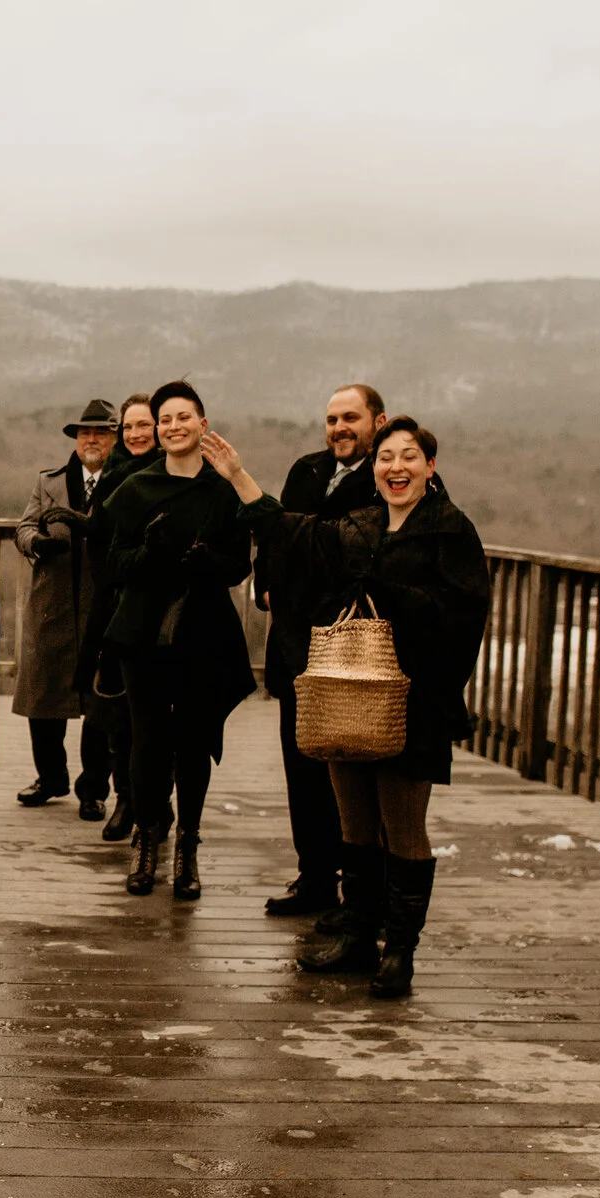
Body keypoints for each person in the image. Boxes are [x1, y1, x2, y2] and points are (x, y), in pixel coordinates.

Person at [216, 418, 491, 998]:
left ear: (430, 467)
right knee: (355, 823)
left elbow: (461, 618)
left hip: (413, 701)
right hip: (347, 694)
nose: (396, 467)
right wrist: (239, 477)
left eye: (409, 457)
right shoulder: (356, 527)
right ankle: (359, 938)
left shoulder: (450, 532)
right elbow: (289, 531)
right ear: (374, 468)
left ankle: (401, 951)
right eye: (386, 458)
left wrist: (388, 595)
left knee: (402, 824)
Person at [87, 381, 256, 902]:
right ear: (156, 431)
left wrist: (208, 561)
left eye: (184, 417)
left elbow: (238, 565)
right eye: (164, 419)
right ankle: (146, 839)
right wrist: (150, 554)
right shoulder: (134, 488)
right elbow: (112, 564)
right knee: (147, 738)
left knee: (194, 741)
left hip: (202, 629)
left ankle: (188, 843)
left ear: (203, 426)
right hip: (142, 630)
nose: (173, 426)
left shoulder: (222, 488)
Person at [257, 384, 386, 922]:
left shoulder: (387, 474)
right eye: (332, 419)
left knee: (355, 773)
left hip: (353, 648)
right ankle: (314, 877)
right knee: (301, 765)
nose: (339, 428)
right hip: (295, 645)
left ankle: (362, 889)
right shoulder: (305, 470)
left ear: (377, 421)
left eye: (351, 418)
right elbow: (274, 536)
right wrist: (266, 580)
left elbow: (349, 554)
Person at [12, 399, 119, 818]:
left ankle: (92, 789)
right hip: (52, 603)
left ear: (114, 437)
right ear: (75, 439)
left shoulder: (125, 481)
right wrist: (35, 544)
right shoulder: (48, 482)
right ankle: (50, 777)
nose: (90, 439)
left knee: (99, 705)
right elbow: (24, 525)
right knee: (43, 697)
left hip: (101, 606)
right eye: (84, 433)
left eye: (100, 432)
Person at [77, 392, 159, 841]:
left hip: (167, 612)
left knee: (160, 720)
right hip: (117, 608)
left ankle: (159, 809)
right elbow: (99, 545)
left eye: (143, 425)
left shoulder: (175, 474)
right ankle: (126, 798)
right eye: (128, 427)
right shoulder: (112, 478)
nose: (136, 434)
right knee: (119, 714)